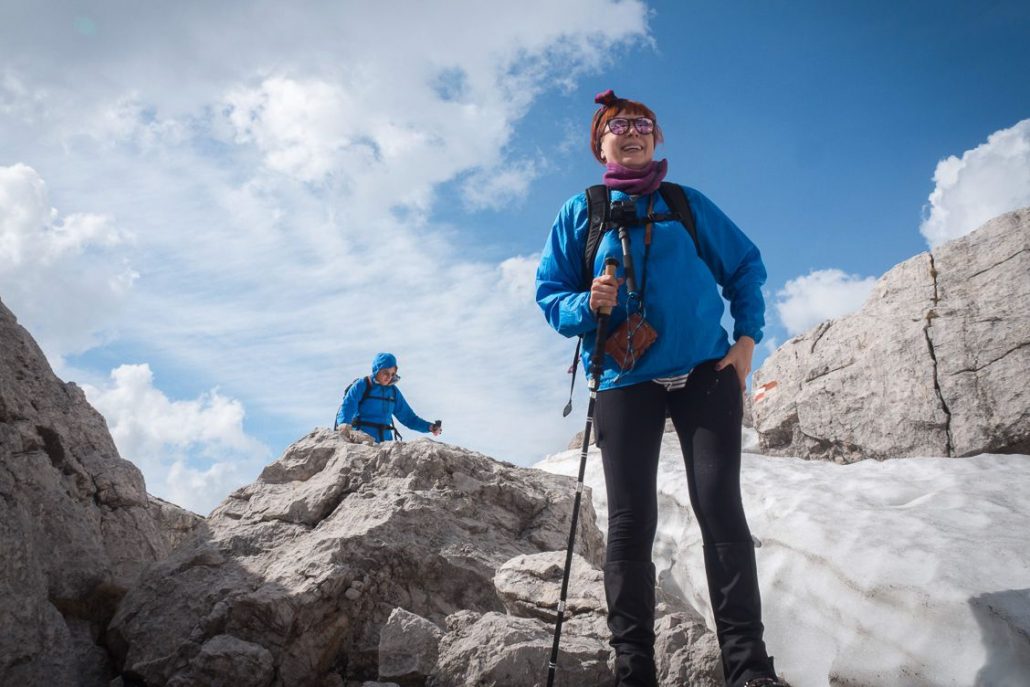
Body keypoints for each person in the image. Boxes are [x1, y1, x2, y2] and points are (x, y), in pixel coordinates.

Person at [535, 90, 785, 687]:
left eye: (643, 124)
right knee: (630, 520)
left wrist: (746, 342)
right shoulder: (582, 211)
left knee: (720, 505)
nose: (633, 131)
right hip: (624, 379)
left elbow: (746, 264)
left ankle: (749, 670)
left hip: (705, 373)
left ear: (658, 138)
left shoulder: (686, 204)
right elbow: (550, 293)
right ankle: (634, 671)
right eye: (618, 126)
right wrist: (583, 304)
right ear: (600, 143)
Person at [336, 352, 441, 443]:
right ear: (377, 369)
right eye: (385, 373)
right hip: (362, 441)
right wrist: (343, 425)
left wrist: (430, 427)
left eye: (392, 374)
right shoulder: (362, 385)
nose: (389, 377)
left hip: (385, 443)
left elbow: (408, 417)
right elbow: (348, 406)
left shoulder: (393, 391)